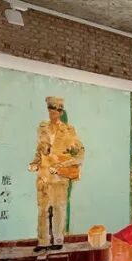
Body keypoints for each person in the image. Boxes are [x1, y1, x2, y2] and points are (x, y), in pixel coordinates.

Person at [28, 96, 84, 251]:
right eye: (50, 110)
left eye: (56, 111)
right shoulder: (43, 128)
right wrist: (34, 163)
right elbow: (39, 151)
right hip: (43, 176)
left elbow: (80, 153)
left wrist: (64, 165)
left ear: (60, 112)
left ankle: (58, 240)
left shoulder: (68, 131)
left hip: (59, 177)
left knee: (59, 209)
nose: (52, 113)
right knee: (43, 210)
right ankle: (43, 242)